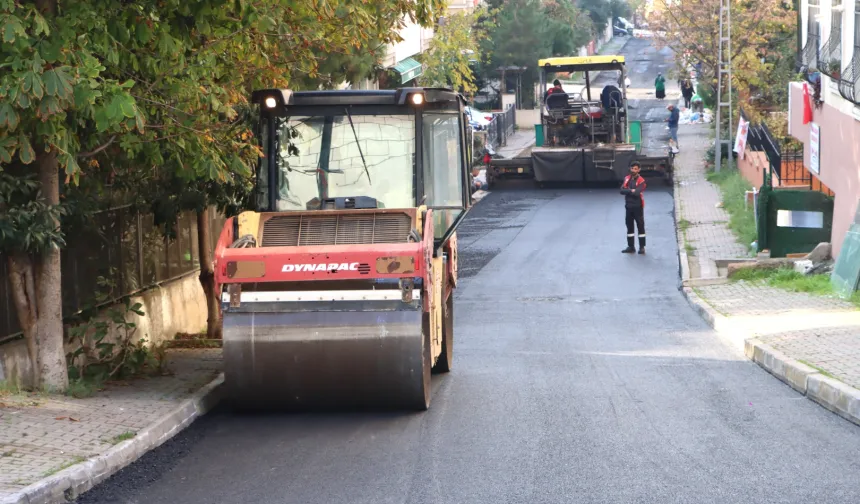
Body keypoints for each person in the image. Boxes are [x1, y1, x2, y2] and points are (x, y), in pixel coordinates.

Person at [620, 162, 647, 254]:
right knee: (629, 226)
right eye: (632, 169)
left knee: (640, 226)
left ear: (639, 170)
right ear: (630, 169)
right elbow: (621, 191)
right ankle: (631, 246)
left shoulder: (641, 181)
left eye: (635, 169)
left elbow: (637, 193)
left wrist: (628, 191)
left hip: (638, 207)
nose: (633, 170)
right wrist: (631, 190)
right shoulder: (627, 178)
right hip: (628, 207)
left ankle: (642, 247)